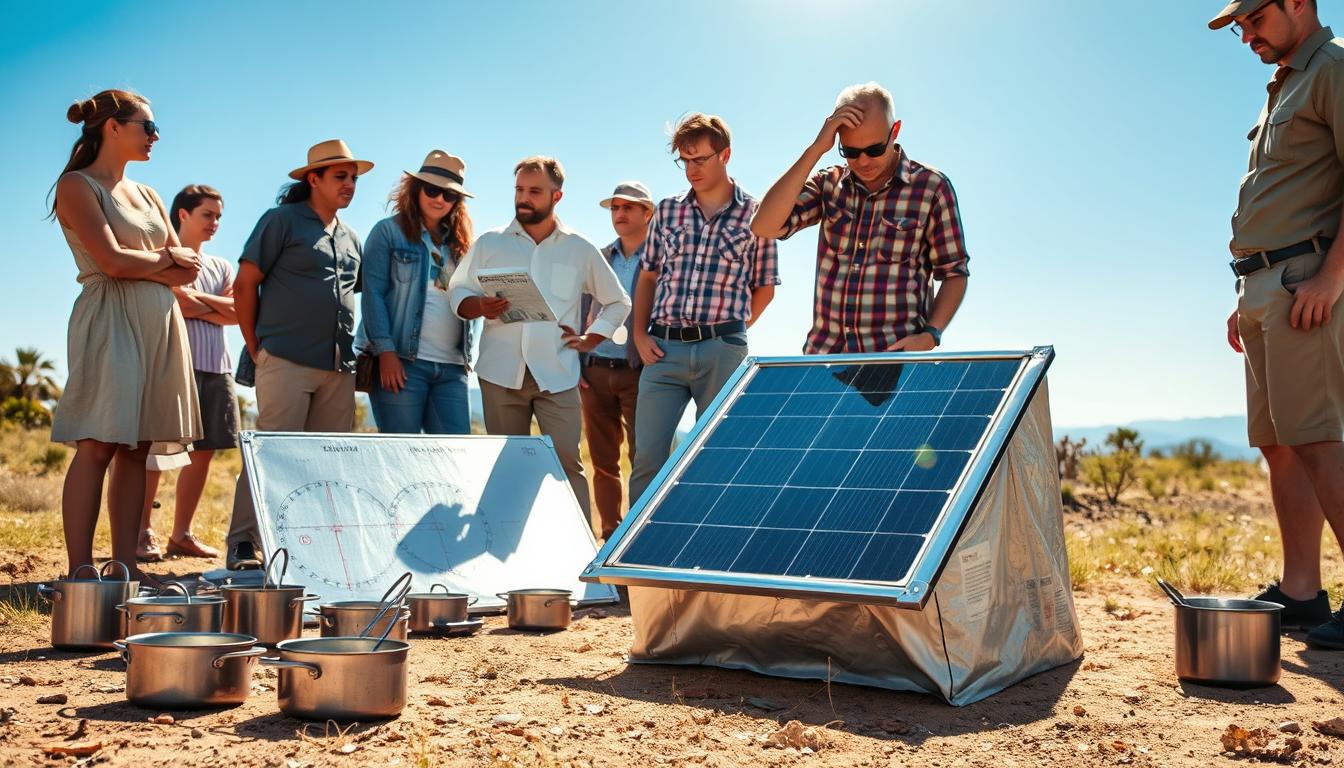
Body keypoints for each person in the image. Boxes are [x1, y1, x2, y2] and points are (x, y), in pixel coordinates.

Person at [1212, 0, 1344, 649]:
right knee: (1279, 443)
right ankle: (1301, 593)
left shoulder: (1334, 69)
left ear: (1298, 3)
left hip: (1305, 284)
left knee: (1317, 438)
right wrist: (1248, 291)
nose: (1246, 36)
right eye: (1238, 26)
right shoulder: (1285, 85)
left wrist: (1332, 279)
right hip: (1264, 284)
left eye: (1254, 19)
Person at [49, 89, 202, 578]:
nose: (156, 136)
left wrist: (155, 263)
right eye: (148, 126)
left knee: (137, 448)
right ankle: (79, 570)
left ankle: (124, 568)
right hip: (109, 319)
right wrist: (165, 257)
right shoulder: (76, 185)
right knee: (98, 443)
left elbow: (189, 271)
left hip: (160, 324)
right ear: (112, 127)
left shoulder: (150, 194)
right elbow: (111, 262)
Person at [448, 156, 631, 517]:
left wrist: (592, 338)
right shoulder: (489, 243)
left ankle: (577, 550)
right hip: (499, 375)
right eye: (519, 189)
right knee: (505, 471)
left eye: (534, 191)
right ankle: (506, 549)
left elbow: (618, 302)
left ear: (556, 196)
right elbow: (457, 290)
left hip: (558, 375)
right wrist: (479, 305)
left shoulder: (579, 248)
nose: (523, 198)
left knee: (567, 468)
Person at [225, 139, 370, 570]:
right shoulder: (280, 221)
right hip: (284, 358)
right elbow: (244, 285)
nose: (349, 185)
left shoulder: (351, 237)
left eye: (353, 178)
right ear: (314, 179)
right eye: (340, 176)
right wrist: (258, 348)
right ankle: (244, 543)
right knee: (270, 455)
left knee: (326, 464)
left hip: (338, 368)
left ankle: (311, 549)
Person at [751, 82, 970, 355]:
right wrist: (816, 149)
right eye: (851, 152)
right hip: (825, 359)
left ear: (895, 131)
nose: (863, 161)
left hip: (894, 358)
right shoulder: (828, 184)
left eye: (874, 149)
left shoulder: (932, 188)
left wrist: (931, 334)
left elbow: (954, 273)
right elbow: (764, 226)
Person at [627, 114, 779, 505]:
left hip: (721, 351)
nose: (691, 169)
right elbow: (648, 276)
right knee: (647, 459)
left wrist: (730, 336)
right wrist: (639, 335)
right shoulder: (667, 210)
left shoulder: (758, 214)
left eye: (700, 159)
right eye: (685, 160)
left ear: (725, 154)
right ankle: (641, 543)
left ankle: (703, 539)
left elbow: (765, 287)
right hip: (662, 350)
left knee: (715, 458)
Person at [137, 184, 239, 561]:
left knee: (205, 452)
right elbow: (176, 302)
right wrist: (215, 307)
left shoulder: (221, 266)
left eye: (218, 217)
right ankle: (142, 532)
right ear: (183, 214)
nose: (215, 223)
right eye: (207, 214)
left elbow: (236, 312)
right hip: (172, 366)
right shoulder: (163, 259)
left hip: (217, 367)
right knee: (155, 453)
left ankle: (181, 535)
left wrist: (198, 301)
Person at [359, 150, 477, 434]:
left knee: (456, 452)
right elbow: (373, 294)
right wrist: (386, 353)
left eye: (449, 194)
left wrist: (466, 359)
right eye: (432, 190)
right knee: (400, 452)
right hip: (402, 363)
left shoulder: (462, 246)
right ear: (416, 188)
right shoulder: (387, 233)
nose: (440, 199)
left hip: (451, 369)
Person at [581, 182, 655, 538]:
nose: (620, 214)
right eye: (615, 208)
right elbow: (581, 309)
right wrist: (578, 361)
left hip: (639, 372)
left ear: (647, 213)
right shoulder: (599, 257)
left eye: (628, 207)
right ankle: (609, 536)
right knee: (602, 461)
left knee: (645, 458)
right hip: (594, 371)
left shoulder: (660, 258)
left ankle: (643, 537)